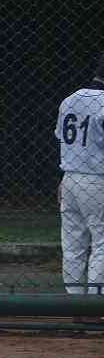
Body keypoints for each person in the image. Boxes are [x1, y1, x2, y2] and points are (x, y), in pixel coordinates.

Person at [56, 52, 104, 295]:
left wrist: (62, 179)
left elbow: (62, 140)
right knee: (102, 243)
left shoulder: (70, 99)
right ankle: (97, 303)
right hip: (98, 180)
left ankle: (73, 301)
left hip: (70, 178)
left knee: (73, 244)